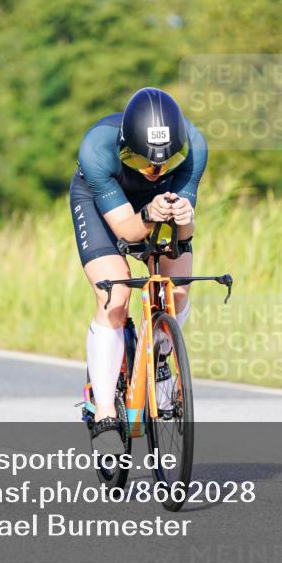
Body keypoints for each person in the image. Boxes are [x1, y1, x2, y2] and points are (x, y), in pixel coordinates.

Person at [70, 87, 208, 452]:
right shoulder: (97, 149)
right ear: (125, 147)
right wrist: (147, 213)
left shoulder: (194, 147)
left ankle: (161, 358)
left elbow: (185, 234)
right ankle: (101, 406)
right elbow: (129, 232)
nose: (155, 171)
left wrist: (184, 218)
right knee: (115, 295)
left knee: (176, 291)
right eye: (145, 163)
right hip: (104, 202)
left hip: (158, 203)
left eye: (164, 163)